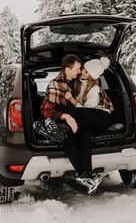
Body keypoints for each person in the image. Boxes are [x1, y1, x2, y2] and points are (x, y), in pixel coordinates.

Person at [33, 54, 113, 194]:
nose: (79, 71)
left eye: (82, 69)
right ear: (67, 69)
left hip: (78, 120)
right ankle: (85, 175)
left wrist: (69, 116)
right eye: (77, 68)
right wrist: (67, 117)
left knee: (73, 130)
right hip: (68, 120)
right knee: (71, 137)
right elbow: (46, 110)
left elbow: (85, 107)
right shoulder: (56, 84)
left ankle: (53, 128)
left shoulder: (81, 83)